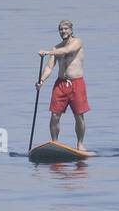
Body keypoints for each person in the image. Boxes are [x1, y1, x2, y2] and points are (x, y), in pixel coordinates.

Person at [36, 19, 89, 150]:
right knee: (54, 115)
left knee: (79, 115)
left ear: (71, 30)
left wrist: (48, 52)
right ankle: (55, 142)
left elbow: (67, 50)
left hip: (76, 83)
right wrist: (41, 81)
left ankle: (80, 144)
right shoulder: (56, 48)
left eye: (65, 29)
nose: (63, 31)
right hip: (60, 84)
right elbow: (49, 67)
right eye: (61, 29)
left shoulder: (77, 42)